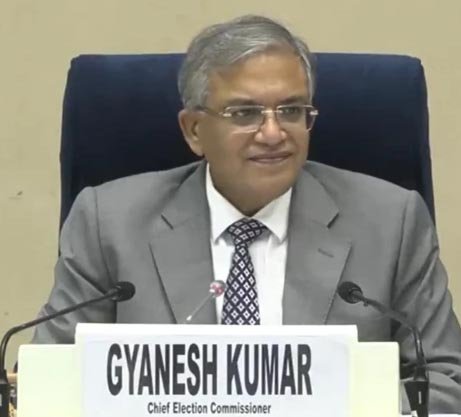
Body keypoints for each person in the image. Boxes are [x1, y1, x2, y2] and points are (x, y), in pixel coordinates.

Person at [32, 15, 461, 412]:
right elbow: (49, 381)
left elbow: (445, 380)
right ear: (194, 130)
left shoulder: (391, 222)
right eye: (245, 113)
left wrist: (348, 404)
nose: (273, 133)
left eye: (291, 110)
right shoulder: (108, 222)